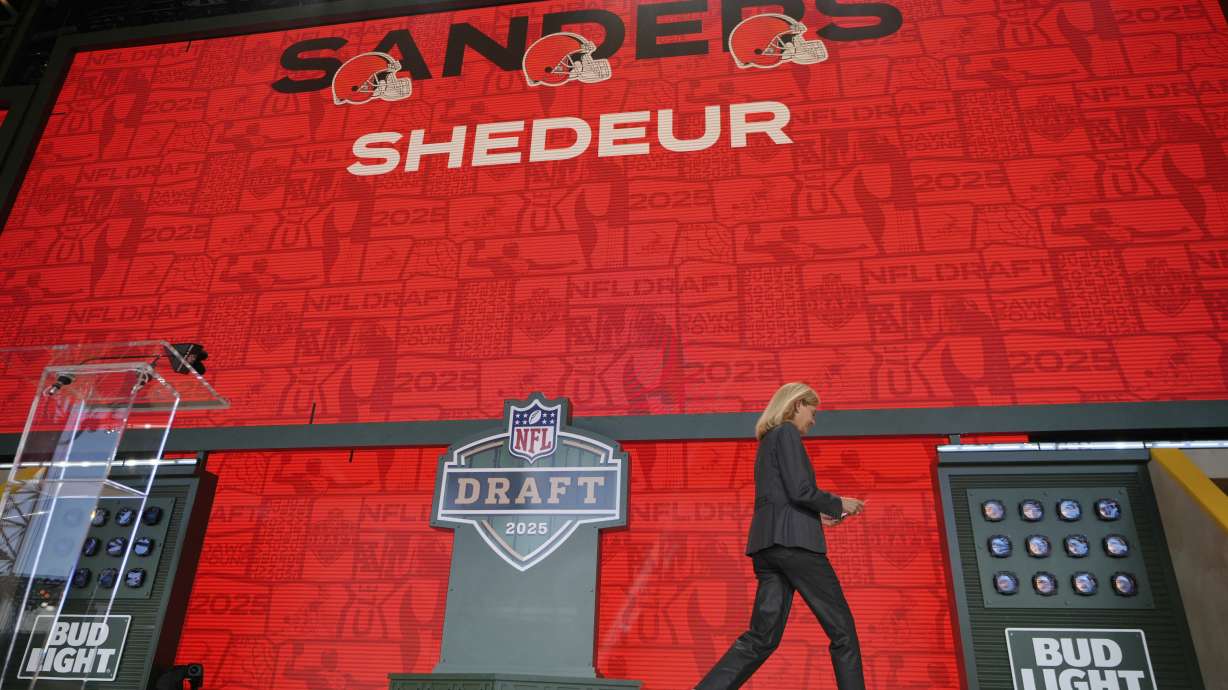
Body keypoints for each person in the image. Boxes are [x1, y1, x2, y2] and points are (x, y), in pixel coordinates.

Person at [695, 382, 866, 690]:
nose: (813, 421)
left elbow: (783, 497)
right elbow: (802, 490)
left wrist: (819, 515)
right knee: (843, 633)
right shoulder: (786, 433)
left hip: (768, 548)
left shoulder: (768, 443)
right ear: (796, 404)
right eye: (812, 412)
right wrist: (840, 503)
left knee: (761, 638)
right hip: (795, 547)